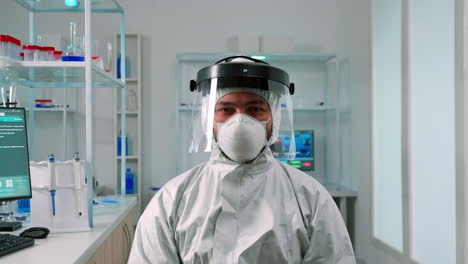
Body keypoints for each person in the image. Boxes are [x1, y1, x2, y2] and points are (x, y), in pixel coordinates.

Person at [128, 56, 355, 263]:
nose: (239, 122)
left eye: (255, 109)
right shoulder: (171, 201)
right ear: (209, 119)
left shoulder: (310, 199)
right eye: (226, 109)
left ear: (273, 118)